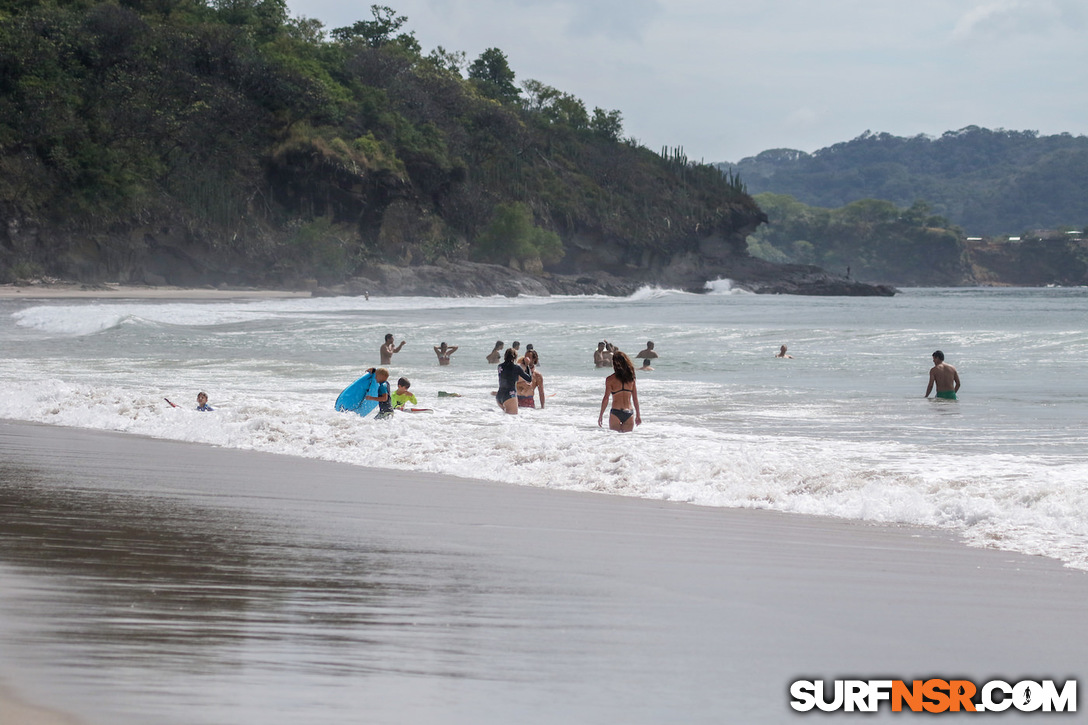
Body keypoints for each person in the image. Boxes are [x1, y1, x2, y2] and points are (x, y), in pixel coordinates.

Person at [598, 351, 641, 432]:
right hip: (629, 412)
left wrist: (601, 415)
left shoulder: (610, 379)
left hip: (615, 412)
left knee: (615, 441)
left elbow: (606, 398)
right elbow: (635, 398)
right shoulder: (631, 379)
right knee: (627, 441)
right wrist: (638, 415)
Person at [496, 348, 532, 414]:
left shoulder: (499, 366)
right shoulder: (516, 368)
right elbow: (529, 379)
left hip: (499, 395)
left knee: (504, 418)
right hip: (510, 394)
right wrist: (527, 365)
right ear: (515, 357)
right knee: (513, 418)